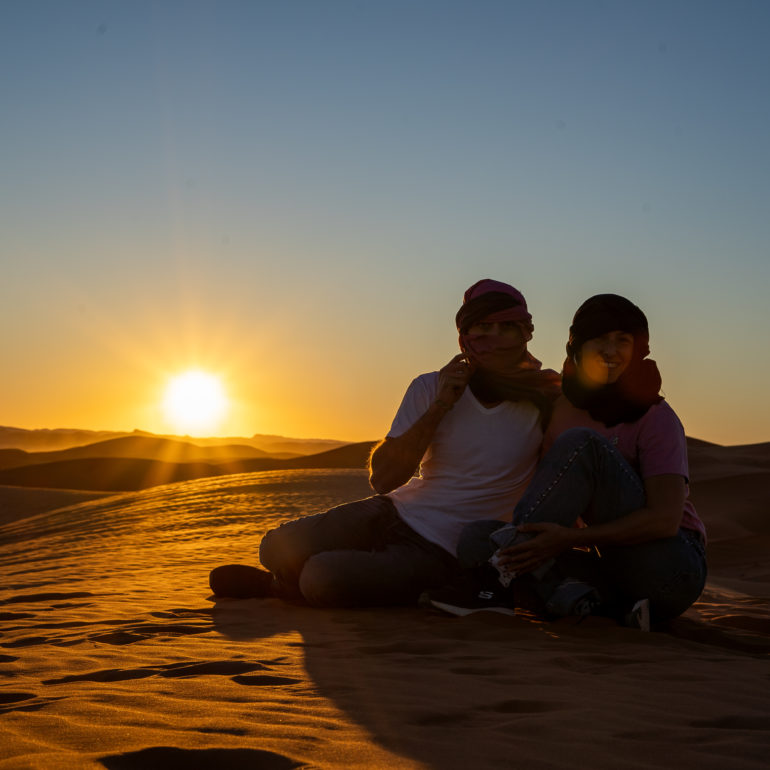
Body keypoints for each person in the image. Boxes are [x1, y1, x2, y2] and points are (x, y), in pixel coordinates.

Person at [209, 279, 560, 607]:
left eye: (507, 328)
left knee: (323, 577)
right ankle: (299, 579)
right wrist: (441, 405)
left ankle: (283, 587)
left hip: (447, 548)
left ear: (526, 333)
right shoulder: (430, 387)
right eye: (483, 328)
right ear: (464, 336)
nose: (495, 339)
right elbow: (384, 480)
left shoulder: (547, 398)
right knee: (274, 547)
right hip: (394, 511)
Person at [426, 294, 707, 629]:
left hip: (670, 567)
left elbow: (664, 520)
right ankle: (606, 607)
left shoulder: (655, 415)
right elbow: (555, 501)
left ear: (639, 349)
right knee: (477, 537)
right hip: (609, 566)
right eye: (599, 339)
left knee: (581, 444)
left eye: (623, 340)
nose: (610, 350)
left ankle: (497, 579)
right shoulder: (562, 410)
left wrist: (568, 540)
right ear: (576, 347)